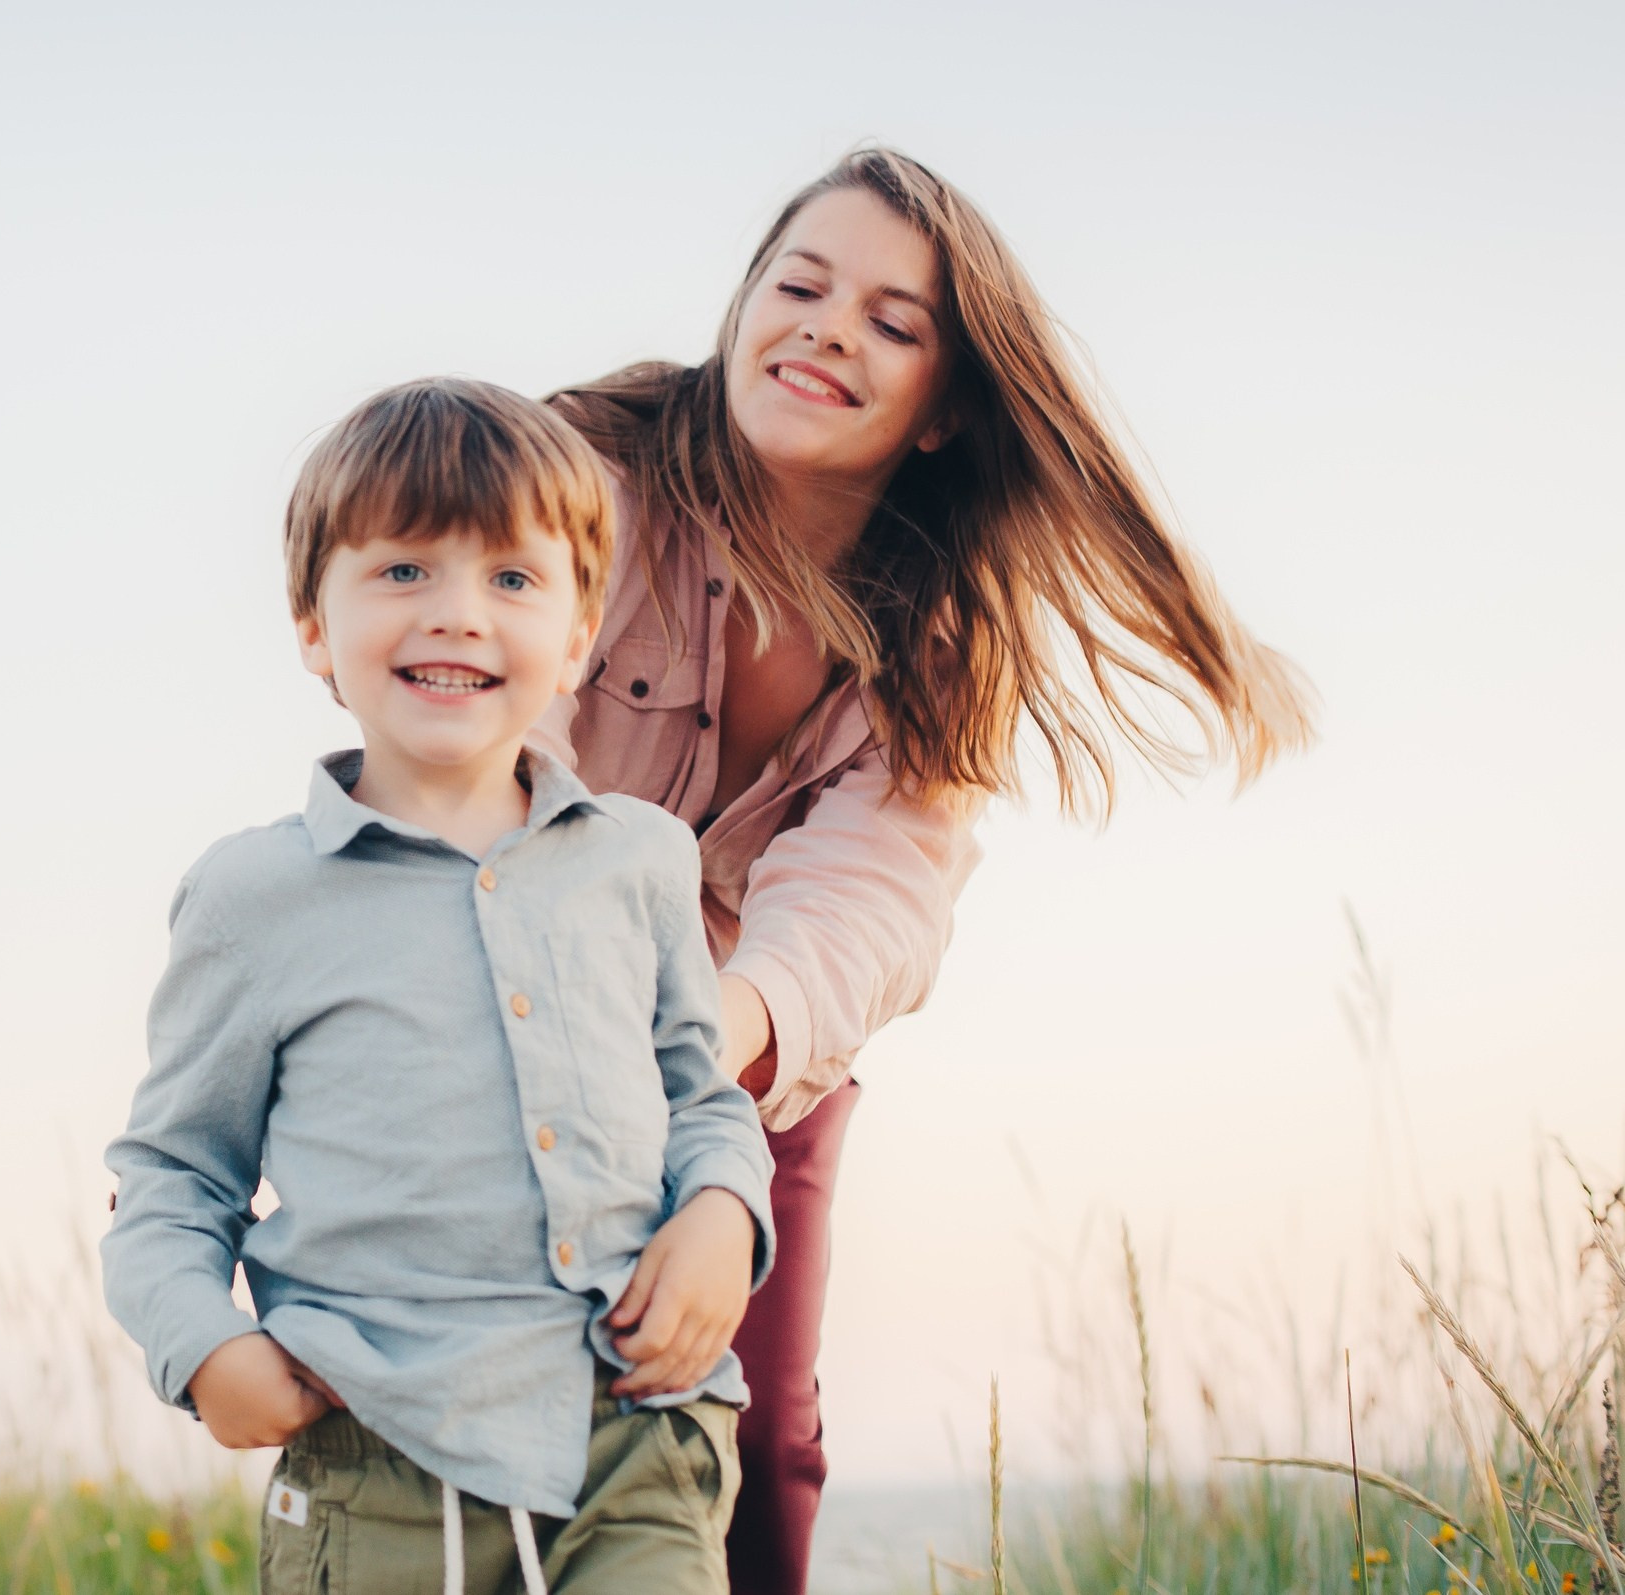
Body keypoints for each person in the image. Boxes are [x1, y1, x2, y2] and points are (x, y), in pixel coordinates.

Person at [542, 147, 1315, 1592]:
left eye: (895, 323)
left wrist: (713, 1044)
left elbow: (875, 897)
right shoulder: (579, 486)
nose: (831, 327)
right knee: (482, 1409)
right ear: (742, 306)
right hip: (507, 996)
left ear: (945, 406)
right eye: (802, 284)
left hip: (751, 1044)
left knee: (751, 1441)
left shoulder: (944, 639)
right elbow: (472, 734)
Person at [103, 378, 781, 1594]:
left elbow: (702, 1099)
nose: (460, 615)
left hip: (633, 1439)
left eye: (513, 580)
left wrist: (724, 1214)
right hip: (377, 1463)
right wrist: (201, 1343)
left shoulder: (638, 862)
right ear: (314, 627)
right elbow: (170, 1179)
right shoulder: (253, 899)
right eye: (405, 571)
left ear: (580, 635)